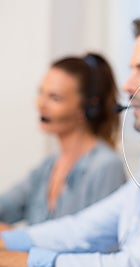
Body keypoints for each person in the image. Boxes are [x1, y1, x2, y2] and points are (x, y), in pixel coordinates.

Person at [0, 10, 140, 267]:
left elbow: (136, 263)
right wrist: (7, 242)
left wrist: (23, 261)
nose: (127, 85)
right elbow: (84, 229)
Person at [0, 53, 126, 228]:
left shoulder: (106, 167)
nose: (41, 104)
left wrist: (15, 237)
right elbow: (5, 207)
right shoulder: (48, 167)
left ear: (88, 108)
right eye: (41, 93)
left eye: (55, 98)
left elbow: (103, 244)